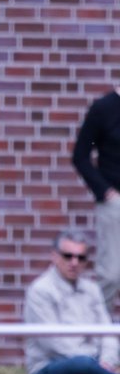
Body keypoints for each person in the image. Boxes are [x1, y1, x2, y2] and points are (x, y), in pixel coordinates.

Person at [24, 229, 120, 374]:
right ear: (54, 256)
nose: (74, 263)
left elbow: (107, 332)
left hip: (92, 370)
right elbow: (55, 344)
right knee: (83, 366)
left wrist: (107, 362)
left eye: (80, 257)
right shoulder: (40, 291)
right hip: (50, 371)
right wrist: (96, 363)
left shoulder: (92, 290)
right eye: (68, 256)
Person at [72, 89, 120, 309]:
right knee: (111, 275)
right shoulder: (103, 108)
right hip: (114, 204)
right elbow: (80, 155)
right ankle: (99, 336)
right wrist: (105, 192)